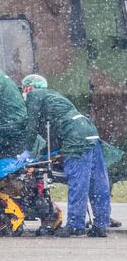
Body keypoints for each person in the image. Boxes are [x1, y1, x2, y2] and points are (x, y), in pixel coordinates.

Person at [19, 74, 110, 237]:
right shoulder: (54, 95)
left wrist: (27, 150)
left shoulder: (34, 95)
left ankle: (76, 226)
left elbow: (32, 126)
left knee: (78, 182)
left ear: (28, 87)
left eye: (24, 89)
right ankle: (101, 225)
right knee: (97, 182)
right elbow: (54, 129)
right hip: (90, 132)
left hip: (76, 138)